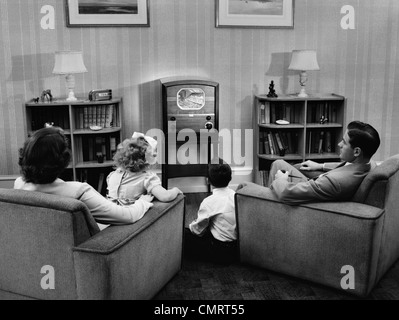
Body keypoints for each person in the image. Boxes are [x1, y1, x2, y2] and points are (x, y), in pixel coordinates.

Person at [14, 127, 154, 227]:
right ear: (63, 160)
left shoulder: (19, 185)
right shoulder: (78, 191)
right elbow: (126, 216)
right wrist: (143, 202)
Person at [268, 121, 380, 204]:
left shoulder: (336, 182)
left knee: (277, 175)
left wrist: (280, 180)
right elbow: (347, 168)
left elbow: (287, 193)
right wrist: (321, 166)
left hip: (307, 197)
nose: (339, 144)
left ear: (356, 151)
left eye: (344, 143)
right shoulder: (368, 164)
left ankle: (269, 205)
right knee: (279, 163)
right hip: (318, 184)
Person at [185, 162, 237, 264]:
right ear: (230, 178)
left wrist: (190, 226)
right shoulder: (236, 196)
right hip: (237, 248)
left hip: (220, 250)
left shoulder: (209, 202)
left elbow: (198, 231)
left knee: (184, 235)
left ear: (208, 180)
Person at [106, 136, 182, 204]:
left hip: (110, 212)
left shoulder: (113, 174)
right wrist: (176, 190)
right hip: (129, 215)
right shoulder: (147, 177)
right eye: (154, 152)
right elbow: (165, 196)